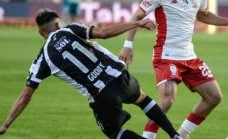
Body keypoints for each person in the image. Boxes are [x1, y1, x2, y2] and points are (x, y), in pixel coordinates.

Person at [0, 9, 183, 139]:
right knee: (143, 100)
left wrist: (6, 124)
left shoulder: (43, 58)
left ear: (41, 32)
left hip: (102, 95)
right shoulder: (71, 28)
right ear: (57, 23)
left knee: (115, 134)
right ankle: (175, 134)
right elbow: (103, 33)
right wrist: (135, 23)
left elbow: (25, 96)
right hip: (121, 77)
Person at [119, 0, 228, 139]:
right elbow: (137, 16)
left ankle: (183, 134)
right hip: (166, 56)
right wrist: (128, 45)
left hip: (189, 56)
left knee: (214, 97)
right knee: (167, 100)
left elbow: (202, 15)